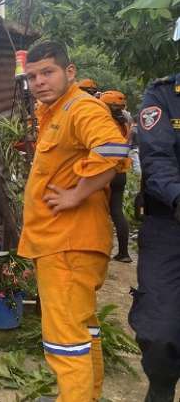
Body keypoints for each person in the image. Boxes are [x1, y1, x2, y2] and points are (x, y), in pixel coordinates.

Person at [17, 41, 130, 402]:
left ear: (70, 72)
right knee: (83, 332)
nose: (39, 81)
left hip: (67, 243)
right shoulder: (56, 111)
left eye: (47, 72)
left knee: (65, 343)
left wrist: (75, 194)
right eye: (32, 76)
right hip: (67, 244)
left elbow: (113, 150)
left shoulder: (80, 108)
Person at [129, 72, 180, 402]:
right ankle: (161, 387)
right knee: (161, 333)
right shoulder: (163, 95)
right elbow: (158, 159)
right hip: (169, 224)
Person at [100, 90, 133, 263]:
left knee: (99, 212)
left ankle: (100, 249)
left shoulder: (105, 123)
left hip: (106, 172)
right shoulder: (125, 123)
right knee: (117, 212)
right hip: (121, 172)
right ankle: (124, 253)